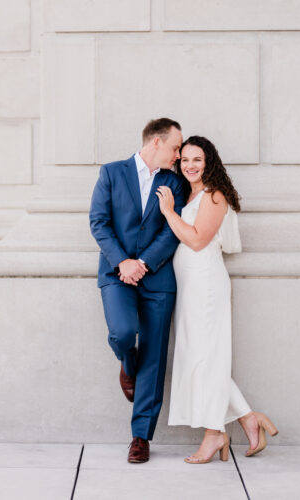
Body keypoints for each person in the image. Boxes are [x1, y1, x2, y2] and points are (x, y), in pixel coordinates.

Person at [155, 135, 279, 464]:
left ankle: (214, 436)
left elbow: (196, 241)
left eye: (197, 159)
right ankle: (246, 419)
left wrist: (168, 212)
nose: (190, 165)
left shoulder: (214, 196)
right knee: (198, 357)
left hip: (206, 285)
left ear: (209, 161)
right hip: (189, 286)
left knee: (206, 359)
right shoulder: (189, 193)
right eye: (185, 160)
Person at [89, 118, 185, 463]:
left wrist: (142, 263)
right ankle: (126, 364)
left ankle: (140, 437)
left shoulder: (174, 182)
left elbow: (173, 230)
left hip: (157, 280)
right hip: (117, 276)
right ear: (156, 142)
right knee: (123, 333)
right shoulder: (112, 173)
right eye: (175, 147)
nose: (178, 155)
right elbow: (98, 222)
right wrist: (123, 263)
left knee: (155, 358)